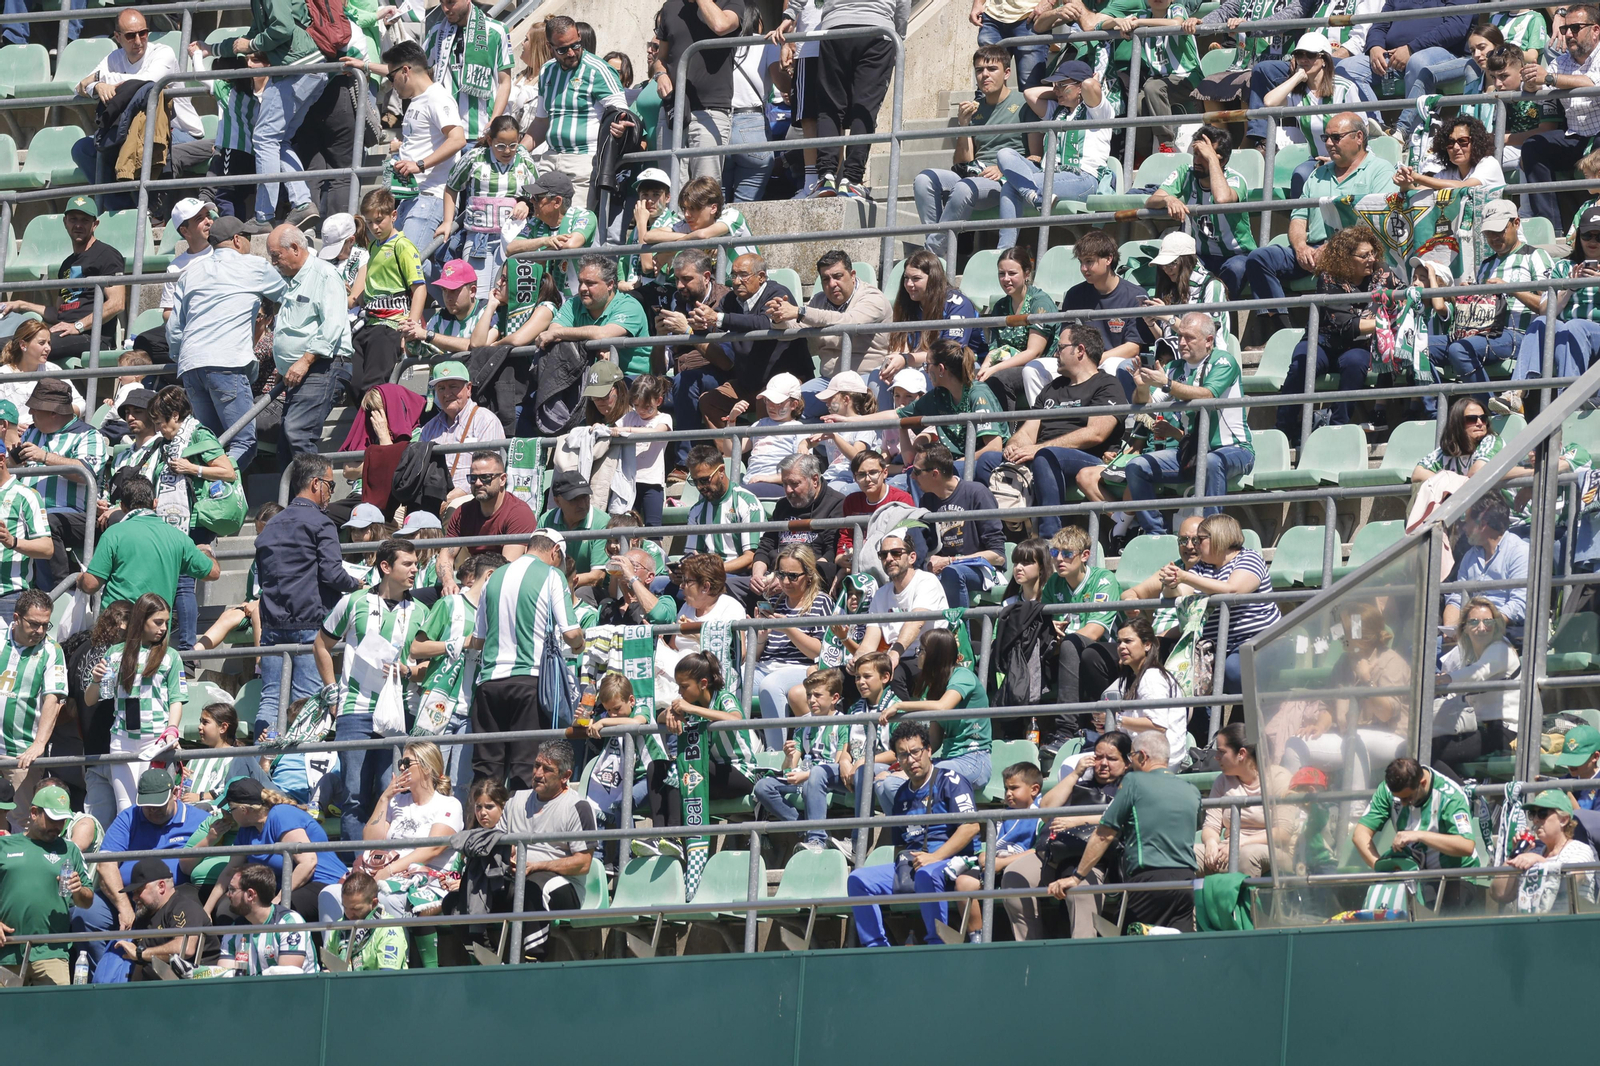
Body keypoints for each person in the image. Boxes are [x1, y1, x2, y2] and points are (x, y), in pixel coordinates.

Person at [1244, 113, 1396, 336]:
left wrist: (1333, 249)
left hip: (1354, 254)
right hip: (1311, 251)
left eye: (1336, 137)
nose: (1328, 143)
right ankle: (1282, 332)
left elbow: (1378, 221)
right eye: (1326, 137)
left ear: (1359, 137)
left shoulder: (1380, 170)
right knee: (1259, 258)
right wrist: (1300, 247)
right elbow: (1298, 217)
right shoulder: (1316, 175)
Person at [315, 539, 426, 844]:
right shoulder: (353, 602)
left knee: (391, 794)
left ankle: (383, 865)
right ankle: (356, 871)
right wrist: (331, 692)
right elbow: (321, 645)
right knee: (353, 797)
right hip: (355, 710)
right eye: (408, 563)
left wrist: (409, 671)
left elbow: (429, 666)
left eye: (416, 563)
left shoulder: (421, 610)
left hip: (400, 714)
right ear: (385, 567)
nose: (415, 569)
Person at [976, 323, 1125, 536]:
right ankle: (1002, 532)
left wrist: (1038, 449)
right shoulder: (1053, 388)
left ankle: (1051, 538)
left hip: (1085, 458)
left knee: (1046, 456)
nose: (1055, 353)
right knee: (987, 461)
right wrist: (1015, 445)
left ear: (1080, 350)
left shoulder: (1106, 384)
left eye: (1060, 347)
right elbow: (1029, 430)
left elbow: (1096, 433)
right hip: (1043, 455)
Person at [164, 214, 287, 471]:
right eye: (248, 239)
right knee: (244, 442)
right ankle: (219, 486)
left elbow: (175, 328)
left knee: (211, 445)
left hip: (191, 366)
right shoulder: (255, 266)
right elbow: (289, 296)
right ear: (237, 239)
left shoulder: (191, 272)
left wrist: (182, 357)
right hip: (227, 364)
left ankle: (211, 495)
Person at [254, 454, 364, 737]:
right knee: (305, 703)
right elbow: (332, 574)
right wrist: (358, 584)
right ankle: (295, 774)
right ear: (316, 483)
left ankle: (262, 765)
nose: (331, 492)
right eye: (331, 485)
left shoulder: (273, 525)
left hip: (272, 626)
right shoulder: (321, 522)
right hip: (309, 624)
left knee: (270, 700)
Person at [1048, 730, 1200, 931]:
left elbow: (1104, 835)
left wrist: (1076, 877)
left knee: (1132, 948)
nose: (1131, 762)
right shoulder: (1191, 789)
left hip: (1148, 880)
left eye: (1132, 756)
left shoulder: (1134, 782)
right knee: (1178, 949)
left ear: (1142, 756)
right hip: (1187, 881)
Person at [846, 721, 979, 946]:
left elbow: (971, 826)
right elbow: (900, 844)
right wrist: (903, 867)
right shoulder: (901, 795)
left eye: (916, 752)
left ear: (928, 750)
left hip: (954, 862)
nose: (911, 760)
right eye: (903, 755)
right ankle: (876, 949)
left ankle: (936, 945)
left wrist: (934, 857)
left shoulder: (951, 781)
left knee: (927, 873)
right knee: (858, 879)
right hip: (918, 864)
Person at [205, 0, 329, 236]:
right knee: (277, 140)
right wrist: (210, 49)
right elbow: (249, 39)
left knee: (263, 138)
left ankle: (265, 215)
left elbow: (282, 27)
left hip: (297, 68)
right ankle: (302, 203)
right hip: (309, 69)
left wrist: (251, 44)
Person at [1124, 313, 1254, 534]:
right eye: (1180, 336)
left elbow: (1207, 395)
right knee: (1136, 466)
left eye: (1189, 337)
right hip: (1190, 453)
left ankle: (1212, 535)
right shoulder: (1175, 367)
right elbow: (1146, 405)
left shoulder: (1223, 361)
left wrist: (1166, 383)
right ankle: (1156, 533)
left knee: (1211, 462)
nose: (1182, 342)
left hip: (1234, 449)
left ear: (1209, 341)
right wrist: (1143, 386)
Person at [469, 545, 585, 790]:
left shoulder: (494, 577)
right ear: (555, 552)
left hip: (489, 683)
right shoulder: (552, 575)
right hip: (530, 682)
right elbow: (571, 632)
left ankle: (481, 826)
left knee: (486, 771)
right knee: (526, 767)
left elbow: (478, 640)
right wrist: (579, 645)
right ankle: (522, 827)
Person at [75, 768, 207, 973]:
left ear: (174, 794)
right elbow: (105, 864)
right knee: (86, 914)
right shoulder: (130, 817)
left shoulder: (197, 819)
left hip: (171, 898)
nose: (152, 810)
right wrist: (124, 907)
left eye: (158, 805)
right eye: (147, 805)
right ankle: (105, 976)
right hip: (127, 895)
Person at [1001, 731, 1131, 940]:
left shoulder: (1129, 786)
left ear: (1126, 762)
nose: (1103, 763)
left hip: (1095, 860)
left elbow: (1125, 817)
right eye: (1098, 757)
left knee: (1080, 891)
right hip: (1053, 852)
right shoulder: (1078, 782)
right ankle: (1029, 948)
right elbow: (1045, 810)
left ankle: (1081, 956)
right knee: (1014, 877)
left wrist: (1079, 820)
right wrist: (1075, 774)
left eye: (1112, 758)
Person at [70, 10, 207, 204]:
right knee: (82, 149)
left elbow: (147, 82)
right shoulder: (113, 58)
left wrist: (101, 78)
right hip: (130, 130)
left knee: (130, 140)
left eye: (143, 33)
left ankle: (148, 209)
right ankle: (120, 210)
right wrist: (98, 86)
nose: (138, 40)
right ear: (118, 37)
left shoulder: (163, 52)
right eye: (130, 35)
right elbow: (80, 87)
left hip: (179, 132)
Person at [773, 0, 906, 199]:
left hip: (835, 28)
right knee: (865, 106)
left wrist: (790, 15)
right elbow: (903, 5)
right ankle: (852, 179)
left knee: (830, 106)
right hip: (878, 29)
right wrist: (899, 36)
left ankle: (826, 176)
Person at [1426, 200, 1550, 412]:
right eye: (1488, 233)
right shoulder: (1486, 265)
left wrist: (1511, 288)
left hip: (1519, 334)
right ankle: (1435, 414)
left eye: (1499, 231)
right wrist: (1464, 296)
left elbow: (1549, 308)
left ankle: (1491, 411)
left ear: (1516, 223)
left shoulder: (1535, 256)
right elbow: (1481, 307)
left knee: (1459, 349)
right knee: (1419, 346)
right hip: (1481, 332)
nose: (1493, 238)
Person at [914, 45, 1028, 259]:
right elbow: (963, 163)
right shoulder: (975, 109)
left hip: (1004, 181)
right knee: (924, 180)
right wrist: (964, 125)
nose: (984, 75)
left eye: (991, 69)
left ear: (1007, 73)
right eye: (979, 70)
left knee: (964, 188)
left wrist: (1005, 169)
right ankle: (939, 251)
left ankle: (931, 254)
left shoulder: (1023, 103)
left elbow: (1037, 156)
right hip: (977, 175)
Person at [1157, 513, 1280, 701]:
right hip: (1214, 647)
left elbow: (1233, 591)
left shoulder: (1249, 558)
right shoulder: (1202, 568)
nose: (1194, 545)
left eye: (1200, 540)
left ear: (1219, 537)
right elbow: (1180, 593)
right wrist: (1171, 583)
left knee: (1232, 670)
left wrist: (1186, 576)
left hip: (1258, 642)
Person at [1275, 225, 1379, 444]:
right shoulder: (1330, 279)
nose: (1371, 259)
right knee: (1301, 364)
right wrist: (1385, 323)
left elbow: (1402, 294)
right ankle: (1284, 428)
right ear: (1346, 258)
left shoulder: (1380, 275)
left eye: (1372, 253)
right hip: (1322, 342)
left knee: (1356, 363)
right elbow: (1346, 325)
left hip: (1355, 347)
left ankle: (1336, 427)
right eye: (1364, 255)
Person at [497, 739, 596, 961]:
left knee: (533, 886)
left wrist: (539, 866)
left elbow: (583, 863)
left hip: (564, 885)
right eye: (536, 766)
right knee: (467, 889)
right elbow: (498, 839)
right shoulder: (515, 800)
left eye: (547, 769)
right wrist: (508, 851)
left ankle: (534, 960)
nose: (538, 773)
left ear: (565, 776)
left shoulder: (577, 807)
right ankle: (478, 953)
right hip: (517, 876)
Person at [410, 551, 504, 786]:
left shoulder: (498, 615)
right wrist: (460, 643)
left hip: (474, 711)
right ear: (490, 576)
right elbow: (417, 648)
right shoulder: (450, 604)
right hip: (438, 703)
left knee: (463, 785)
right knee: (427, 781)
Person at [995, 61, 1111, 248]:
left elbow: (1090, 86)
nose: (1056, 91)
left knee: (1012, 186)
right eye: (1054, 86)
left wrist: (1085, 83)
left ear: (1081, 87)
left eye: (1061, 86)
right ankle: (1036, 198)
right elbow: (1029, 93)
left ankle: (1004, 251)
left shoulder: (1098, 112)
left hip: (1083, 179)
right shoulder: (1056, 110)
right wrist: (1063, 90)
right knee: (1005, 154)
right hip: (1049, 174)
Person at [198, 777, 347, 922]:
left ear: (244, 810)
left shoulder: (281, 814)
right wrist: (207, 911)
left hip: (324, 882)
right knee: (228, 911)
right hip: (288, 889)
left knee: (278, 914)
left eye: (230, 809)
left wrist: (277, 900)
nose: (227, 814)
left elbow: (308, 863)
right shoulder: (246, 830)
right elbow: (229, 872)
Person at [0, 196, 126, 366]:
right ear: (65, 222)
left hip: (92, 336)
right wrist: (22, 304)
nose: (78, 225)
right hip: (64, 333)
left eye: (84, 220)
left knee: (21, 347)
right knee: (9, 344)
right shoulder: (66, 265)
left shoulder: (107, 255)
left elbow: (117, 303)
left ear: (95, 224)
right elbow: (58, 312)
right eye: (73, 219)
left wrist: (78, 326)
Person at [1500, 204, 1600, 415]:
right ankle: (1515, 393)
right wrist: (1570, 289)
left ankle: (1568, 399)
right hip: (1568, 332)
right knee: (1540, 323)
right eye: (1587, 235)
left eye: (1598, 236)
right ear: (1578, 237)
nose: (1592, 241)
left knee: (1574, 326)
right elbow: (1545, 310)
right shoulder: (1562, 267)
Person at [266, 225, 353, 466]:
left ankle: (315, 499)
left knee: (297, 432)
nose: (274, 262)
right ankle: (295, 502)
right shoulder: (290, 280)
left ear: (295, 248)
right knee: (285, 443)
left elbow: (333, 324)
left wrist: (304, 361)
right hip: (300, 373)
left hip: (324, 366)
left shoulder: (323, 274)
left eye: (276, 255)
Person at [768, 250, 892, 417]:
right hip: (828, 380)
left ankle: (879, 441)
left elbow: (849, 321)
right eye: (825, 279)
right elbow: (793, 327)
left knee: (866, 416)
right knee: (792, 408)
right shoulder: (819, 300)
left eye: (838, 276)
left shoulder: (873, 298)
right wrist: (778, 318)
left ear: (852, 275)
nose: (832, 283)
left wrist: (801, 311)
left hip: (866, 377)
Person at [879, 628, 993, 805]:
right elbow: (934, 741)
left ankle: (926, 829)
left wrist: (900, 705)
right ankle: (911, 831)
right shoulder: (933, 687)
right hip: (949, 759)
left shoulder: (963, 676)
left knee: (905, 781)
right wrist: (911, 760)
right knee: (884, 781)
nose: (918, 655)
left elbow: (943, 707)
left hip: (974, 760)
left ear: (934, 655)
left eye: (921, 650)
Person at [1353, 756, 1482, 912]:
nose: (1403, 803)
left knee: (1439, 920)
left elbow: (1466, 845)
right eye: (1398, 799)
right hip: (1414, 874)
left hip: (1455, 876)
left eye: (1408, 798)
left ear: (1423, 783)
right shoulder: (1387, 790)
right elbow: (1360, 835)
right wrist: (1381, 867)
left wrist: (1419, 835)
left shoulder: (1450, 795)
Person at [96, 593, 186, 810]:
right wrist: (95, 680)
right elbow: (95, 698)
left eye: (166, 622)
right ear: (140, 620)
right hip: (121, 741)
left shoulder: (171, 656)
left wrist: (172, 729)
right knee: (125, 807)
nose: (163, 628)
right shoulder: (115, 653)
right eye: (158, 622)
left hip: (156, 740)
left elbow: (177, 698)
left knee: (152, 805)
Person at [15, 378, 104, 590]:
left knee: (45, 521)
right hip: (29, 512)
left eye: (36, 410)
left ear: (53, 412)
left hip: (73, 515)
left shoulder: (89, 435)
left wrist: (45, 457)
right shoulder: (32, 432)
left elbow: (85, 474)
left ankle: (59, 590)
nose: (31, 415)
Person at [79, 475, 219, 608]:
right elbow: (213, 572)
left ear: (122, 506)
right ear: (155, 503)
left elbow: (90, 585)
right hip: (156, 628)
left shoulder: (113, 534)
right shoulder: (178, 537)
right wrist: (205, 551)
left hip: (117, 626)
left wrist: (80, 580)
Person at [751, 669, 854, 851]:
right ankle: (805, 828)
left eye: (817, 695)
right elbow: (788, 768)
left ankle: (816, 837)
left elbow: (838, 765)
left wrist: (807, 776)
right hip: (804, 777)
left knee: (812, 781)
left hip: (827, 779)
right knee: (762, 787)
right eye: (809, 695)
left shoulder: (843, 724)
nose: (811, 700)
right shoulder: (803, 725)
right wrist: (789, 757)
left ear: (835, 698)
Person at [0, 785, 93, 985]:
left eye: (62, 820)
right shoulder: (4, 846)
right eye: (53, 819)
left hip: (52, 951)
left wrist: (78, 891)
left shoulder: (70, 850)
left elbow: (88, 900)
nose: (58, 826)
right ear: (34, 813)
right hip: (6, 950)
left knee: (59, 1013)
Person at [1146, 125, 1254, 295]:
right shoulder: (1185, 173)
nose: (1196, 161)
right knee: (1168, 263)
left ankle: (1217, 315)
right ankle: (1166, 316)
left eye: (1203, 155)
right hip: (1200, 255)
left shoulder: (1235, 180)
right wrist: (1168, 199)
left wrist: (1211, 160)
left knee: (1236, 269)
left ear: (1222, 160)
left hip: (1236, 255)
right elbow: (1151, 201)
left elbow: (1222, 199)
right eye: (1195, 154)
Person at [526, 16, 628, 194]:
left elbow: (622, 113)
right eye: (563, 49)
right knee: (543, 218)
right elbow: (541, 122)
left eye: (575, 45)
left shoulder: (599, 70)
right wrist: (518, 150)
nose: (571, 53)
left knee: (575, 220)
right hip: (550, 159)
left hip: (583, 160)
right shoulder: (547, 71)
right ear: (550, 47)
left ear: (579, 36)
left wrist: (620, 125)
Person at [441, 117, 540, 299]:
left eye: (513, 145)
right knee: (476, 293)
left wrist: (525, 203)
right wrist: (448, 221)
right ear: (490, 141)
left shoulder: (525, 160)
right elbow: (452, 186)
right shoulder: (474, 158)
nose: (507, 151)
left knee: (506, 294)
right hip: (479, 238)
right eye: (501, 146)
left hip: (514, 239)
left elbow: (538, 196)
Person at [1519, 5, 1600, 225]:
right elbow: (1536, 87)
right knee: (1533, 146)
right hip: (1575, 137)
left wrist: (1549, 78)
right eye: (1565, 30)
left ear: (1595, 30)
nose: (1569, 35)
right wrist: (1529, 81)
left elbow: (1591, 83)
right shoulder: (1561, 61)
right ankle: (1549, 229)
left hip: (1599, 137)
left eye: (1576, 28)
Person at [752, 544, 834, 747]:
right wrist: (761, 636)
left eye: (793, 576)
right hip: (766, 666)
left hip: (801, 667)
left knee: (770, 686)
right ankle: (744, 750)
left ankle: (775, 755)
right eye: (781, 575)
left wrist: (788, 628)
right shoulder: (775, 601)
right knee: (729, 681)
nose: (786, 581)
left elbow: (821, 652)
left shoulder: (820, 601)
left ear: (809, 575)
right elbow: (756, 655)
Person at [657, 0, 745, 184]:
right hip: (673, 110)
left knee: (705, 191)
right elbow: (661, 57)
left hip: (711, 112)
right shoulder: (670, 7)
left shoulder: (731, 2)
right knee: (670, 189)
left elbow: (720, 26)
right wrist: (660, 74)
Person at [661, 650, 764, 806]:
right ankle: (669, 829)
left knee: (687, 766)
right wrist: (670, 712)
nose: (680, 692)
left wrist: (692, 709)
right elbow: (658, 718)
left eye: (684, 686)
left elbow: (736, 718)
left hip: (741, 773)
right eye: (678, 687)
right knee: (662, 771)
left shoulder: (724, 697)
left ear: (703, 684)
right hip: (709, 772)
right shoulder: (692, 703)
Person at [853, 531, 949, 698]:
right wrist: (858, 660)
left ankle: (905, 725)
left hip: (929, 657)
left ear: (912, 558)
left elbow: (915, 623)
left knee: (892, 676)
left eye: (896, 553)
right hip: (896, 658)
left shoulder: (927, 582)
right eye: (883, 555)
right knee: (843, 678)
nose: (889, 558)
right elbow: (869, 643)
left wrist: (894, 655)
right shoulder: (881, 594)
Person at [352, 187, 428, 396]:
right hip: (368, 323)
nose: (374, 227)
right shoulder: (374, 247)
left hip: (391, 325)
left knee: (374, 388)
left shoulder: (402, 246)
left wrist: (409, 330)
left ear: (393, 215)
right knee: (356, 385)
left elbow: (419, 289)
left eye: (379, 220)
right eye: (369, 223)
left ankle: (380, 428)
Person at [1433, 598, 1520, 778]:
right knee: (1424, 746)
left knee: (1427, 752)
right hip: (1478, 728)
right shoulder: (1468, 653)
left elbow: (1478, 673)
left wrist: (1445, 679)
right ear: (1464, 627)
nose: (1481, 627)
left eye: (1487, 621)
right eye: (1474, 621)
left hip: (1503, 731)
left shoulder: (1501, 648)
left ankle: (1461, 798)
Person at [909, 444, 1004, 609]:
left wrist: (950, 561)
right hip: (943, 570)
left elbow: (998, 555)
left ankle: (958, 633)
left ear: (935, 474)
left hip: (982, 570)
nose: (912, 476)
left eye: (917, 472)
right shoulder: (927, 500)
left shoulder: (977, 493)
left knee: (951, 573)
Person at [1061, 229, 1153, 384]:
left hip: (1119, 362)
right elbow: (1067, 337)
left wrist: (1094, 361)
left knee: (1110, 366)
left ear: (1108, 259)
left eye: (1089, 261)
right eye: (1081, 262)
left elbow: (1133, 347)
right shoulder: (1074, 294)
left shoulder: (1134, 295)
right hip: (1080, 359)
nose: (1083, 268)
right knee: (1034, 369)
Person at [750, 453, 846, 596]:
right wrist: (757, 576)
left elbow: (831, 554)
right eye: (784, 484)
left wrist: (789, 579)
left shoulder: (836, 504)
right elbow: (766, 545)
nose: (788, 490)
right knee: (727, 586)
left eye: (794, 484)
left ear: (814, 480)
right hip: (772, 578)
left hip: (810, 581)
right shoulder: (782, 505)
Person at [110, 855, 219, 980]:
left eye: (139, 890)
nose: (134, 897)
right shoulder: (143, 917)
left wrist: (141, 953)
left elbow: (185, 948)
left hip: (196, 988)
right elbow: (140, 967)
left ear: (161, 886)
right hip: (159, 991)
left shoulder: (183, 906)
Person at [1490, 789, 1599, 913]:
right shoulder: (1532, 852)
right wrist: (1515, 855)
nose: (1535, 820)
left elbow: (1568, 883)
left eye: (1542, 813)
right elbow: (1498, 894)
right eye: (1532, 814)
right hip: (1532, 926)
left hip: (1568, 924)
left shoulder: (1580, 849)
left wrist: (1539, 861)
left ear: (1563, 820)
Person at [420, 0, 513, 144]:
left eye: (451, 2)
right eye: (441, 2)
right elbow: (416, 69)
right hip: (446, 133)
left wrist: (494, 120)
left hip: (482, 133)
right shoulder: (437, 32)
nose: (445, 9)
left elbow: (504, 81)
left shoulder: (496, 30)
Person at [681, 443, 765, 602]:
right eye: (695, 481)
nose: (700, 487)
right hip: (705, 577)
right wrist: (682, 572)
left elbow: (751, 557)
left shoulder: (746, 502)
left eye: (705, 480)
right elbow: (691, 555)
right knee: (661, 585)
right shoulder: (696, 510)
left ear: (721, 471)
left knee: (713, 588)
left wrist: (713, 570)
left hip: (738, 576)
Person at [437, 452, 537, 584]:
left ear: (502, 479)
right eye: (473, 478)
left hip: (506, 587)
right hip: (472, 581)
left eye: (485, 477)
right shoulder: (462, 512)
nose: (478, 483)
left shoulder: (519, 513)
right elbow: (446, 555)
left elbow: (506, 568)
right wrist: (448, 582)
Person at [1104, 619, 1189, 769]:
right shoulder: (1137, 677)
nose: (1121, 647)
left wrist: (1115, 719)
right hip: (1143, 756)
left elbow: (1157, 725)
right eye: (1119, 642)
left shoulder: (1152, 677)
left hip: (1159, 761)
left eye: (1128, 641)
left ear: (1147, 645)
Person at [415, 363, 507, 499]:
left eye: (453, 386)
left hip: (472, 496)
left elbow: (490, 473)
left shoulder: (486, 421)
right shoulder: (428, 428)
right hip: (431, 496)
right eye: (441, 388)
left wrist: (451, 497)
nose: (447, 393)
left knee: (453, 510)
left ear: (468, 389)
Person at [1196, 723, 1278, 875]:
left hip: (1264, 847)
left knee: (1247, 856)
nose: (1216, 757)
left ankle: (1246, 899)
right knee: (1187, 855)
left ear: (1241, 753)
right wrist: (1211, 843)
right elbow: (1211, 825)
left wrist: (1238, 844)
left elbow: (1281, 832)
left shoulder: (1276, 779)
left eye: (1221, 752)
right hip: (1228, 847)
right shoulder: (1222, 781)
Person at [1444, 495, 1528, 639]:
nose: (1463, 528)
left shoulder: (1520, 552)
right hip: (1471, 633)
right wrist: (1450, 630)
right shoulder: (1469, 556)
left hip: (1503, 633)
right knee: (1423, 651)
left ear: (1482, 524)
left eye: (1467, 522)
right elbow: (1457, 597)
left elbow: (1519, 604)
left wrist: (1485, 627)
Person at [218, 863, 319, 974]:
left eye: (232, 889)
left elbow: (288, 978)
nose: (228, 894)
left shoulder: (289, 923)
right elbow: (225, 976)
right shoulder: (234, 930)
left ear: (251, 895)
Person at [0, 413, 49, 619]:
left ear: (1, 459)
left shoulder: (25, 495)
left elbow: (47, 548)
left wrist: (12, 541)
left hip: (10, 596)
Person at [0, 323, 86, 430]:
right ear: (23, 345)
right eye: (42, 343)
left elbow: (81, 404)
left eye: (49, 343)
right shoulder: (3, 375)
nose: (48, 348)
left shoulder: (52, 370)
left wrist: (57, 414)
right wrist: (12, 427)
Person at [836, 449, 913, 567]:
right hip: (857, 562)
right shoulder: (851, 501)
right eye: (861, 474)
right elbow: (846, 536)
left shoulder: (901, 499)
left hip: (892, 561)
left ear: (885, 473)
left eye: (873, 472)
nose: (867, 479)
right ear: (855, 478)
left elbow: (909, 538)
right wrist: (841, 557)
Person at [536, 469, 609, 592]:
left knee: (582, 592)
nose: (582, 504)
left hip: (591, 592)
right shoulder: (546, 520)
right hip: (552, 588)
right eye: (574, 499)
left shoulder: (602, 522)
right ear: (557, 501)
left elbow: (597, 577)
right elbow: (537, 565)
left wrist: (558, 584)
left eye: (585, 497)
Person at [325, 871, 409, 970]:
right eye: (345, 907)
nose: (349, 914)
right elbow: (328, 968)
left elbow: (387, 977)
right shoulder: (340, 926)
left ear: (373, 903)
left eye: (356, 909)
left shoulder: (389, 929)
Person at [1413, 398, 1499, 484]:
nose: (1480, 423)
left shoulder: (1491, 441)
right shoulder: (1449, 448)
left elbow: (1477, 472)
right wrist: (1448, 482)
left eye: (1483, 418)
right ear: (1457, 422)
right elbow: (1418, 473)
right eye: (1471, 419)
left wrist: (1451, 483)